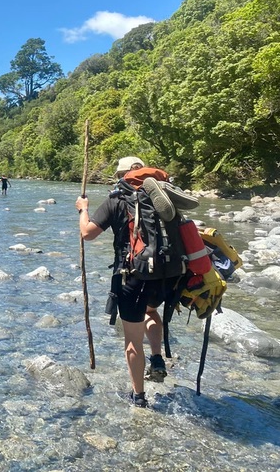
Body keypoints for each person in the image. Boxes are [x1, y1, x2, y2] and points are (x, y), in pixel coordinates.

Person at [75, 156, 169, 409]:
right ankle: (157, 358)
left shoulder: (117, 199)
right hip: (164, 273)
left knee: (132, 339)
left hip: (132, 274)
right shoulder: (162, 196)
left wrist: (83, 208)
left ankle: (139, 397)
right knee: (151, 310)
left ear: (124, 175)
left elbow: (88, 233)